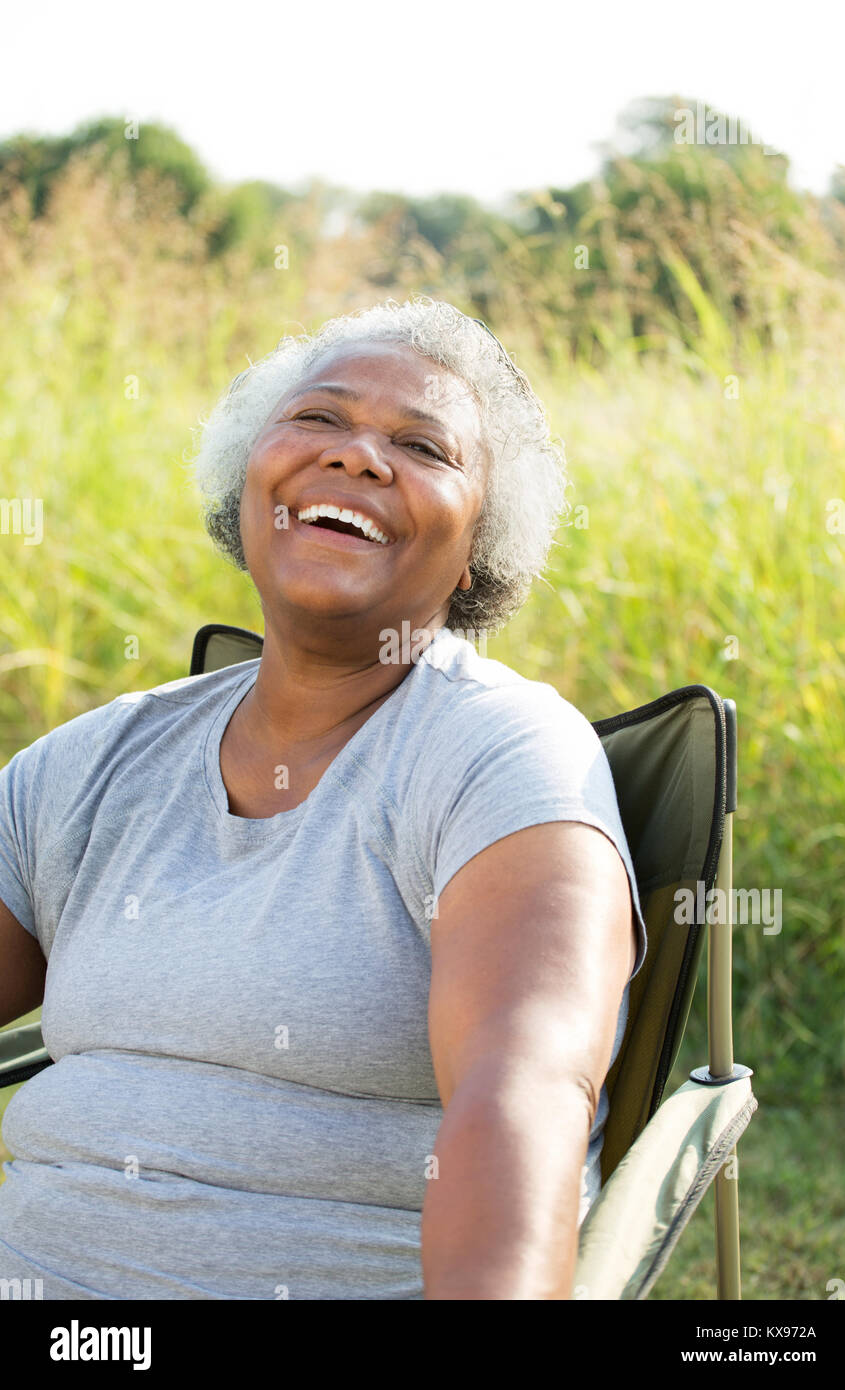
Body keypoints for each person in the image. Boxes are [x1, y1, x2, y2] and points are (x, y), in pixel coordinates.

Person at [0, 296, 647, 1300]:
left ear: (478, 546)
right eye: (317, 418)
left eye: (422, 445)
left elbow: (521, 1096)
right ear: (244, 478)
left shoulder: (503, 758)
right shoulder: (94, 762)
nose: (355, 456)